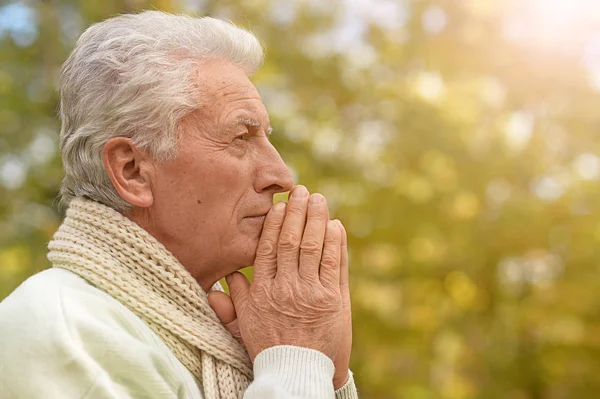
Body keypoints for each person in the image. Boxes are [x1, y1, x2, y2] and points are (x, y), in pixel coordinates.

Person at [0, 10, 358, 399]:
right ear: (133, 170)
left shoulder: (203, 337)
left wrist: (329, 377)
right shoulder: (58, 329)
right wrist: (296, 359)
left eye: (266, 139)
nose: (281, 176)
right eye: (241, 137)